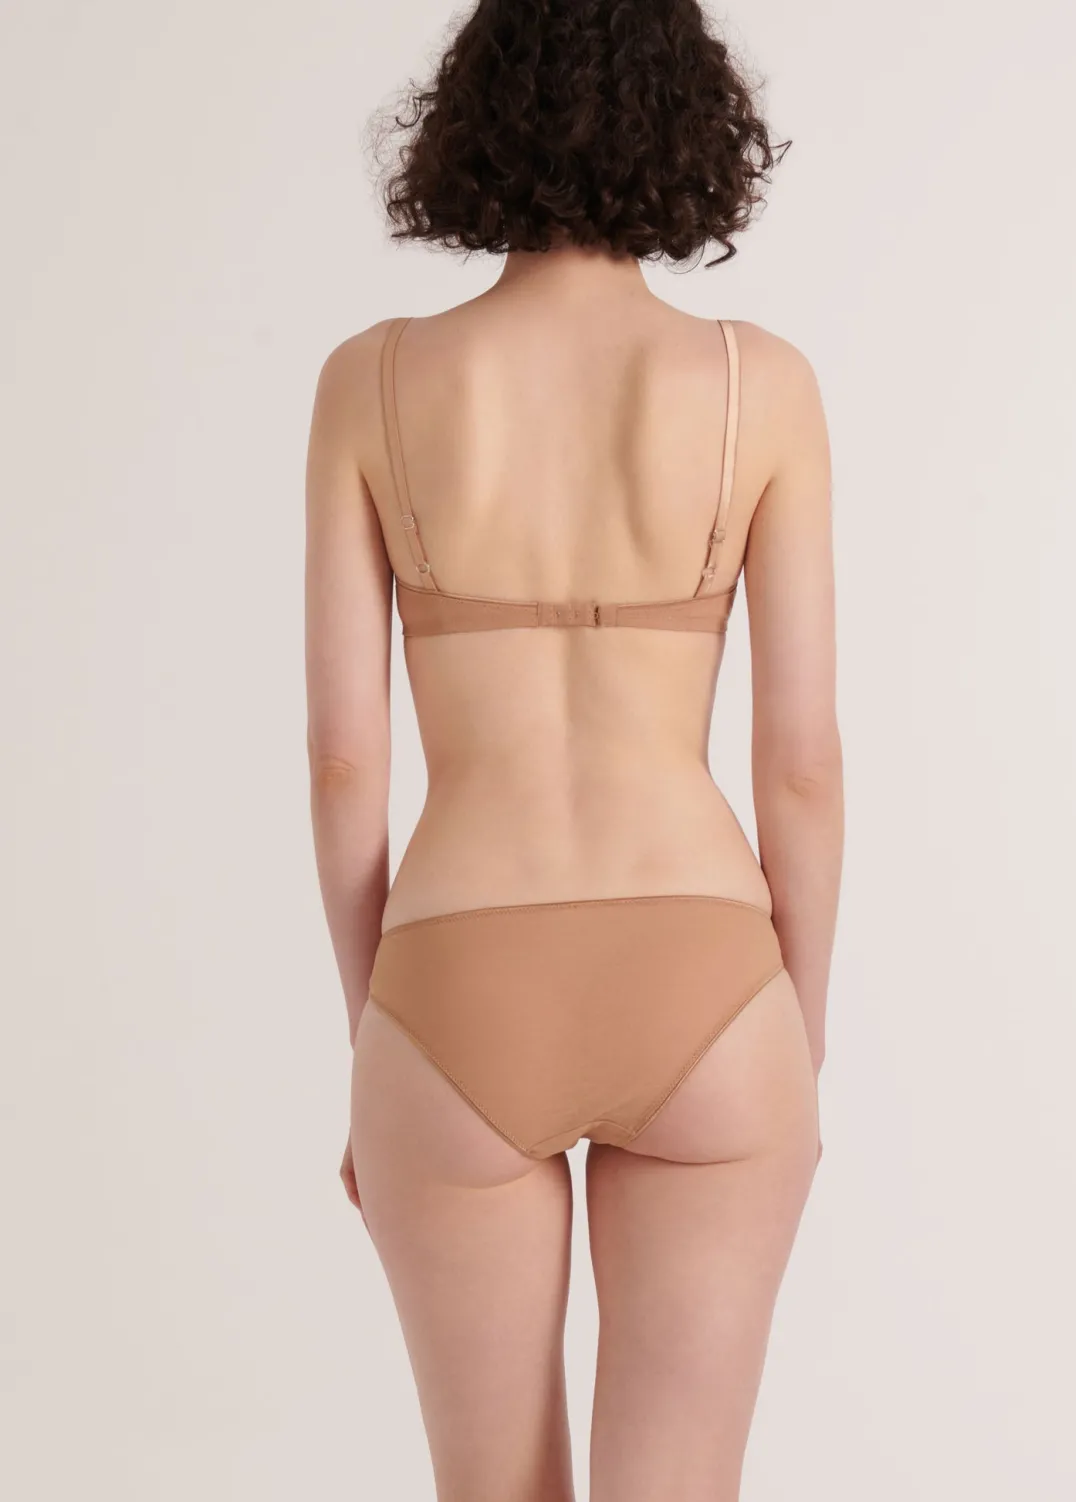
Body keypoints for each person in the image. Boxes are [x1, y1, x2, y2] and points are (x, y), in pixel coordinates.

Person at [304, 3, 842, 1497]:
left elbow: (344, 762)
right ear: (690, 125)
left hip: (455, 979)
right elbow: (803, 766)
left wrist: (377, 1040)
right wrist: (799, 1036)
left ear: (472, 123)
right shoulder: (758, 383)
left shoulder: (373, 381)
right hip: (707, 974)